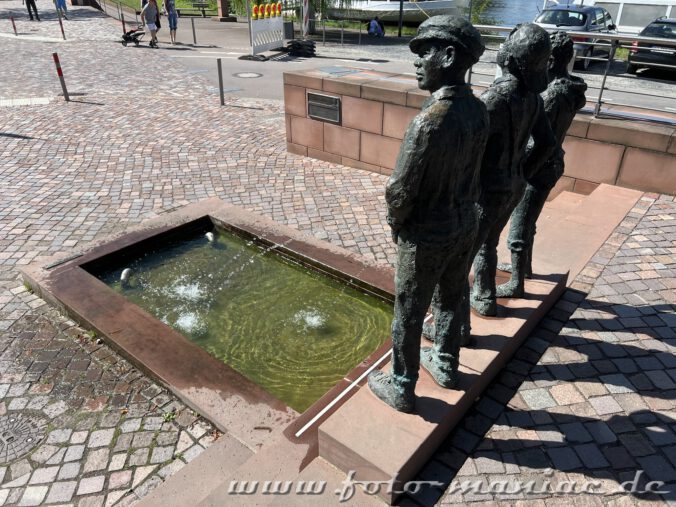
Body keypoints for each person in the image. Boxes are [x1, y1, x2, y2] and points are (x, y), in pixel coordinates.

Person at [367, 16, 489, 413]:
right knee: (452, 295)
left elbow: (399, 190)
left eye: (425, 52)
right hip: (465, 222)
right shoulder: (479, 110)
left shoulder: (428, 123)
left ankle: (402, 385)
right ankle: (447, 363)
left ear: (450, 56)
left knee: (410, 310)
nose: (417, 61)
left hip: (427, 234)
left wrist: (397, 224)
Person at [469, 23, 556, 317]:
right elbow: (547, 144)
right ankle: (485, 295)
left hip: (487, 190)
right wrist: (522, 171)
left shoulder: (491, 100)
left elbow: (469, 154)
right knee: (489, 243)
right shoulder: (533, 100)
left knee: (467, 253)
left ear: (511, 58)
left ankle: (469, 313)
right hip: (514, 184)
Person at [496, 31, 587, 297]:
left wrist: (518, 166)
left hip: (539, 167)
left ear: (549, 61)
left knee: (520, 224)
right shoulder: (569, 89)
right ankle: (523, 268)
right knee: (529, 220)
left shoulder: (552, 95)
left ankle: (516, 283)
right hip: (552, 163)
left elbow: (538, 140)